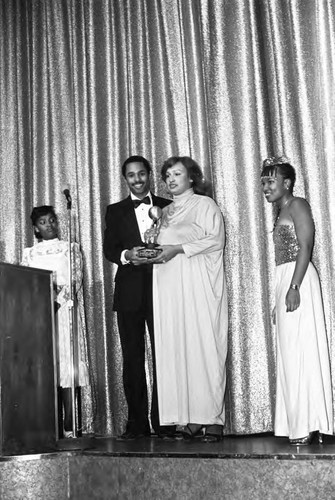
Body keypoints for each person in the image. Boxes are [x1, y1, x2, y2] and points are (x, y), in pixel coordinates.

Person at [150, 156, 228, 442]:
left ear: (192, 178)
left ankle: (212, 419)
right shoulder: (165, 211)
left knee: (203, 347)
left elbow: (215, 240)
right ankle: (188, 418)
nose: (171, 179)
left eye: (177, 173)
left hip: (199, 288)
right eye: (167, 175)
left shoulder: (205, 205)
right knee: (177, 349)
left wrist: (178, 248)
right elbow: (161, 247)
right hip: (170, 287)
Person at [261, 156, 333, 445]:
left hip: (298, 278)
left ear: (287, 183)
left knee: (300, 349)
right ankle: (300, 422)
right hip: (286, 278)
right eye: (263, 182)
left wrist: (294, 287)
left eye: (271, 181)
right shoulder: (280, 211)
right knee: (291, 352)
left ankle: (307, 422)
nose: (265, 187)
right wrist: (281, 293)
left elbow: (305, 246)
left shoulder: (298, 204)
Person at [103, 155, 174, 440]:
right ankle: (136, 424)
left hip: (163, 288)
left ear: (149, 175)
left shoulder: (168, 206)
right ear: (125, 179)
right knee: (132, 359)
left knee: (164, 357)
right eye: (131, 175)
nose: (137, 179)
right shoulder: (115, 210)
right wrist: (126, 256)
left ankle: (165, 422)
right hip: (129, 291)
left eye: (141, 174)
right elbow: (109, 249)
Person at [21, 205, 89, 438]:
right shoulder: (29, 253)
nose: (49, 225)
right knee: (46, 369)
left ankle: (71, 424)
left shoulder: (70, 248)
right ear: (36, 228)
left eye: (52, 220)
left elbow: (75, 280)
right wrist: (43, 302)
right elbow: (26, 284)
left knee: (68, 368)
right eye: (43, 222)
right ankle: (50, 425)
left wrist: (57, 300)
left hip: (64, 313)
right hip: (40, 317)